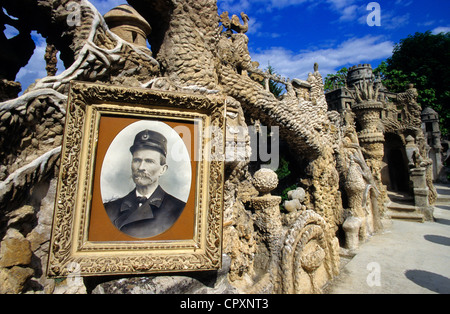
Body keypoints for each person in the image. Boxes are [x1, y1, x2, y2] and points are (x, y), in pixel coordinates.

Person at [104, 129, 186, 238]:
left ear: (163, 169)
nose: (141, 167)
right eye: (137, 160)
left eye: (149, 161)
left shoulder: (179, 210)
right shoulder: (110, 208)